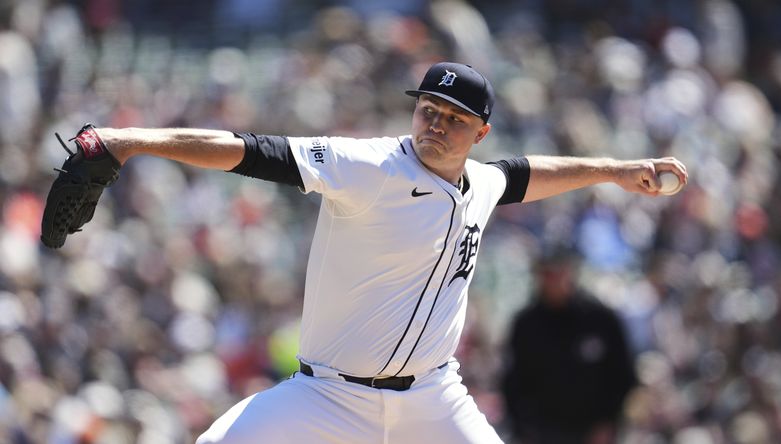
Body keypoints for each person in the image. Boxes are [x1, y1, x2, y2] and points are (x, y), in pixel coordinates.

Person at [51, 62, 687, 443]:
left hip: (434, 401)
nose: (435, 123)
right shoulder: (369, 165)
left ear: (480, 132)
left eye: (454, 118)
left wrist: (617, 168)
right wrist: (126, 141)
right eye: (428, 109)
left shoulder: (483, 182)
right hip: (326, 397)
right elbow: (250, 149)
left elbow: (527, 173)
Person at [502, 248, 637, 444]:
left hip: (592, 431)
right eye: (547, 274)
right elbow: (512, 381)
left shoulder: (600, 319)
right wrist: (522, 427)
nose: (553, 281)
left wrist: (609, 422)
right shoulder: (526, 324)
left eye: (559, 273)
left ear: (571, 272)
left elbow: (623, 374)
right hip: (543, 430)